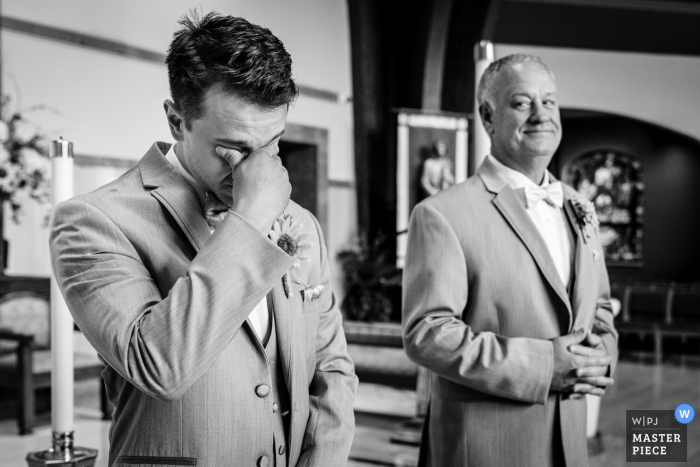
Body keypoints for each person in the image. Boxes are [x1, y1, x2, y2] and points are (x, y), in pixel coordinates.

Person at [50, 12, 357, 467]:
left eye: (272, 143)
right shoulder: (93, 221)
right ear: (177, 121)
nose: (256, 170)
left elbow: (330, 370)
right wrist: (249, 220)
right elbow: (160, 366)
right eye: (233, 149)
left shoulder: (301, 223)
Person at [402, 54, 618, 466]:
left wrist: (599, 358)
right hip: (486, 445)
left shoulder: (579, 206)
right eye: (522, 103)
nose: (542, 115)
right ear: (488, 116)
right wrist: (543, 365)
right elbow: (428, 334)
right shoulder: (442, 213)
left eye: (550, 102)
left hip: (570, 443)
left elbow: (601, 308)